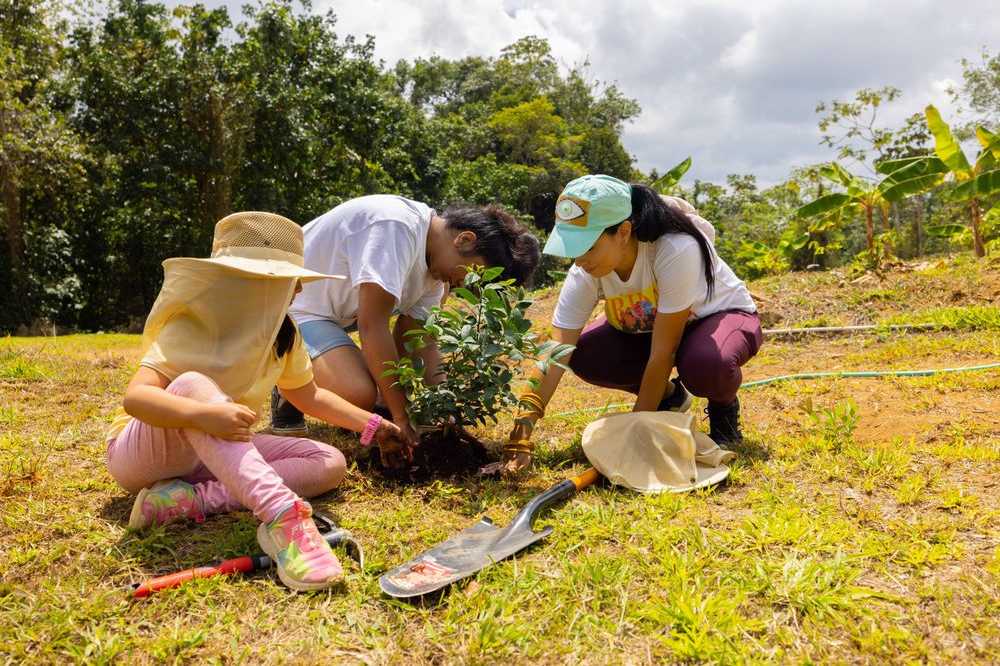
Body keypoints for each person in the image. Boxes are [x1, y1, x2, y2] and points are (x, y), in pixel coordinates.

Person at [105, 212, 413, 592]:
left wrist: (373, 425)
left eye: (289, 283)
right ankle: (284, 518)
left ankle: (190, 501)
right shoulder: (190, 324)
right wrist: (204, 414)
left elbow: (309, 395)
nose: (292, 292)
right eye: (274, 282)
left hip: (214, 452)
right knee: (191, 382)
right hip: (145, 454)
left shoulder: (284, 336)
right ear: (228, 281)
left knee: (329, 461)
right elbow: (137, 399)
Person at [494, 174, 762, 475]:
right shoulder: (587, 269)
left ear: (623, 232)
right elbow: (555, 353)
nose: (579, 259)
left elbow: (664, 352)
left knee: (707, 364)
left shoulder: (673, 249)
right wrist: (519, 438)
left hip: (716, 321)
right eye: (573, 247)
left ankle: (724, 410)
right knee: (584, 355)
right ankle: (669, 398)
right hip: (649, 330)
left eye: (589, 246)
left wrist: (633, 438)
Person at [270, 195, 541, 448]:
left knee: (399, 358)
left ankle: (350, 387)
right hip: (293, 307)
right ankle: (288, 382)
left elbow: (420, 340)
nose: (468, 285)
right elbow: (372, 326)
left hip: (337, 312)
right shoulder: (395, 230)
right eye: (476, 274)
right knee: (358, 394)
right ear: (465, 240)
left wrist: (444, 410)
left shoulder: (435, 270)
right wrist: (400, 416)